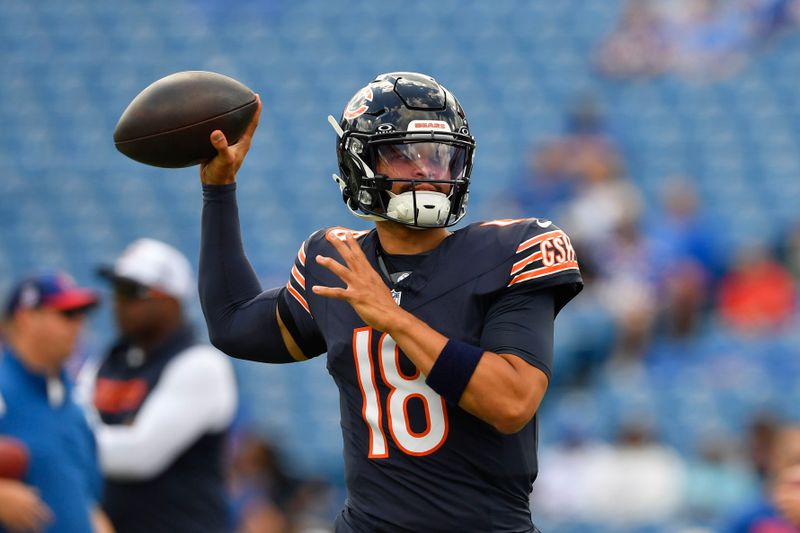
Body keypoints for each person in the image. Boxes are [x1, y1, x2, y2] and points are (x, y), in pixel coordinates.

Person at [199, 72, 583, 532]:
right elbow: (232, 323)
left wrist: (393, 317)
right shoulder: (336, 261)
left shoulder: (512, 251)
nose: (425, 170)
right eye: (404, 155)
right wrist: (218, 191)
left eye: (440, 157)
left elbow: (512, 401)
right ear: (358, 163)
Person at [77, 239, 237, 533]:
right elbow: (76, 422)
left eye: (132, 291)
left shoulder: (201, 365)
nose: (119, 302)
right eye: (116, 289)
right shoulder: (106, 361)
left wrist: (63, 443)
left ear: (171, 300)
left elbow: (137, 456)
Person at [0, 272, 112, 532]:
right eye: (67, 314)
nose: (78, 325)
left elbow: (87, 499)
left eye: (81, 314)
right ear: (27, 317)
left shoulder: (75, 399)